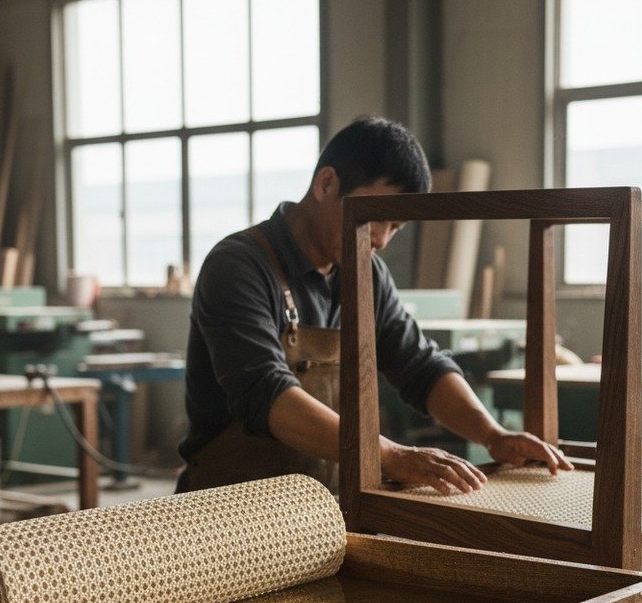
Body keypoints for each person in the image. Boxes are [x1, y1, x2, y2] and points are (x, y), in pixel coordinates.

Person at [176, 116, 569, 494]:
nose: (380, 240)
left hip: (323, 507)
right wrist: (388, 455)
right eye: (375, 219)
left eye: (395, 228)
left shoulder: (368, 274)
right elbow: (267, 393)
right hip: (227, 513)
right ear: (326, 183)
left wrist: (493, 436)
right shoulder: (239, 266)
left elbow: (420, 366)